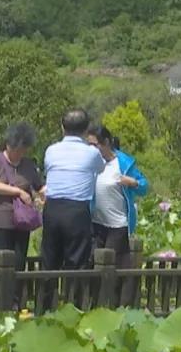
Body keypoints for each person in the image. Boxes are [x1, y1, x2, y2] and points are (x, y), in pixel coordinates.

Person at [39, 109, 106, 309]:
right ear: (86, 131)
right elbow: (101, 168)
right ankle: (73, 309)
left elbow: (47, 168)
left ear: (62, 127)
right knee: (77, 263)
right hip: (77, 210)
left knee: (49, 261)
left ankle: (44, 310)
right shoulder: (92, 153)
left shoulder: (51, 150)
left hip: (52, 209)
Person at [0, 123, 45, 296]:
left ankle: (16, 301)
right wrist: (18, 192)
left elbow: (40, 187)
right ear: (9, 145)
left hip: (22, 222)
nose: (20, 153)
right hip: (0, 220)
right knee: (1, 263)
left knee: (19, 263)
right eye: (17, 149)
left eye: (23, 149)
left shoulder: (28, 165)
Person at [86, 124, 148, 268]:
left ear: (106, 143)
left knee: (109, 265)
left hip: (117, 226)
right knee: (92, 263)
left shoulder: (123, 164)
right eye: (88, 145)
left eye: (94, 145)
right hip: (96, 224)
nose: (91, 149)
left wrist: (133, 183)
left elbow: (144, 186)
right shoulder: (91, 163)